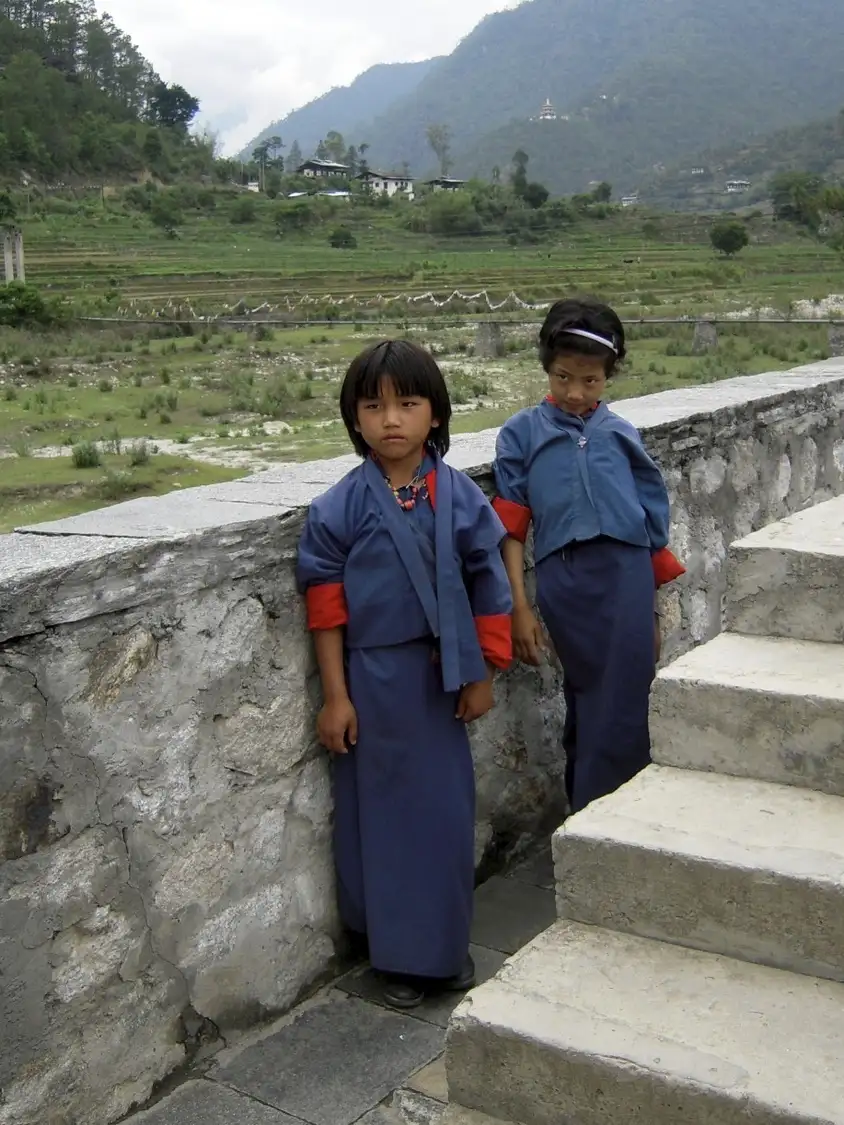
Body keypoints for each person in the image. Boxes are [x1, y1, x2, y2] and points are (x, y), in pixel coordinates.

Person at [296, 339, 513, 1011]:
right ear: (354, 419)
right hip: (374, 682)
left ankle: (442, 947)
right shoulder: (338, 507)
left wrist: (484, 671)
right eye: (373, 406)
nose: (391, 420)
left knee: (444, 817)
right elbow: (326, 608)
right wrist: (336, 696)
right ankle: (397, 956)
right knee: (384, 823)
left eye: (408, 404)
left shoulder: (460, 496)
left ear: (435, 414)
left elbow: (490, 584)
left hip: (442, 677)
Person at [492, 296, 685, 815]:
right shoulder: (521, 434)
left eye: (590, 381)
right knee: (593, 694)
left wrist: (651, 613)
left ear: (608, 377)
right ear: (546, 368)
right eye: (563, 378)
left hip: (627, 578)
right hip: (567, 582)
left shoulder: (620, 433)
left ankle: (603, 817)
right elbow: (510, 528)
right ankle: (606, 818)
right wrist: (519, 606)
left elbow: (650, 524)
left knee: (626, 697)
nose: (575, 393)